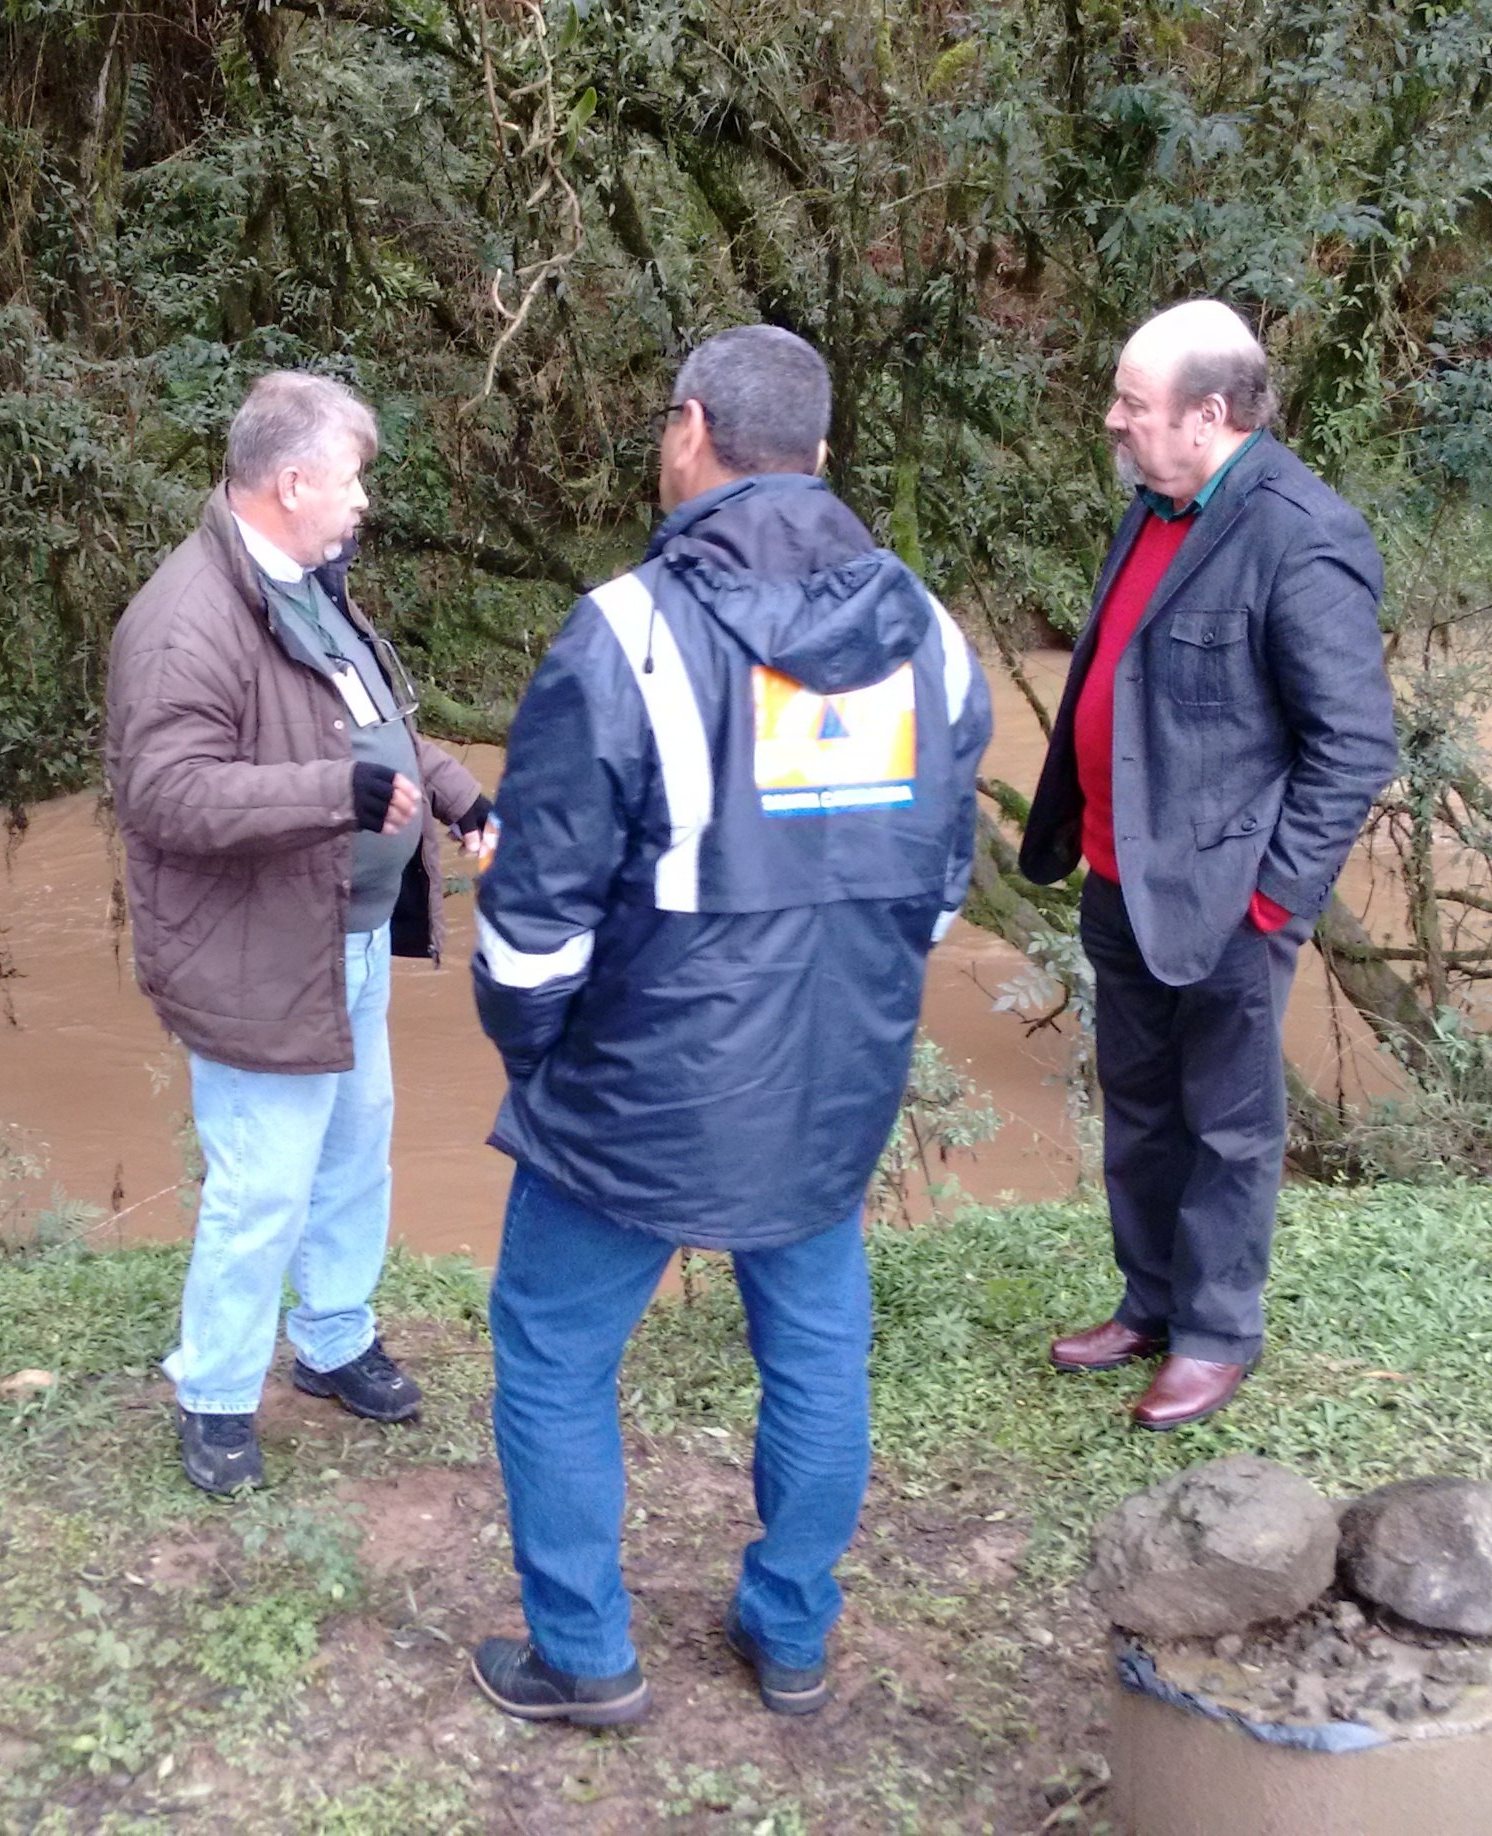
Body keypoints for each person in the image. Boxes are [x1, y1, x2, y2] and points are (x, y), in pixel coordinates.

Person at [461, 325, 993, 1727]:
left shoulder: (628, 631)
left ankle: (584, 1655)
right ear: (820, 453)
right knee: (816, 1348)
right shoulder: (931, 636)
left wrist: (534, 1051)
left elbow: (534, 922)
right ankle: (792, 1632)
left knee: (553, 1348)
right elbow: (938, 890)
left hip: (639, 1087)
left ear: (691, 430)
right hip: (833, 1077)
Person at [106, 370, 496, 1495]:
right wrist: (335, 795)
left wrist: (459, 791)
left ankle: (332, 1340)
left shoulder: (308, 584)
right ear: (291, 482)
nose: (363, 500)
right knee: (262, 1182)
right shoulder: (186, 622)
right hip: (256, 954)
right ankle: (217, 1394)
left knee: (353, 1152)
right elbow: (168, 798)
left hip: (348, 934)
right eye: (352, 477)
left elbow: (377, 728)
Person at [1020, 300, 1398, 1430]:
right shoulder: (1154, 508)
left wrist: (1274, 899)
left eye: (1133, 406)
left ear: (1211, 415)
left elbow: (1353, 746)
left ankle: (1219, 1333)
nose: (1113, 422)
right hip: (1117, 876)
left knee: (1228, 1123)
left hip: (1230, 899)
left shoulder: (1301, 534)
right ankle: (1151, 1302)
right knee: (1137, 1103)